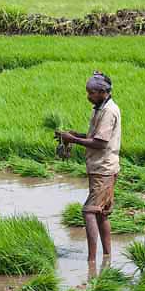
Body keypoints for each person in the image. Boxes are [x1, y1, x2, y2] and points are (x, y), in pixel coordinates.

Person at [57, 72, 121, 263]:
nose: (88, 96)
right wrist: (74, 134)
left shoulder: (109, 111)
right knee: (101, 213)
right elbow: (95, 135)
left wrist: (73, 140)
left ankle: (91, 261)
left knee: (89, 211)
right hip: (99, 167)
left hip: (104, 169)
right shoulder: (99, 108)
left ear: (103, 92)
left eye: (91, 93)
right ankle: (107, 257)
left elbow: (101, 143)